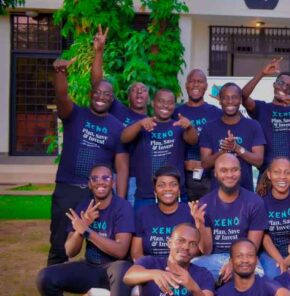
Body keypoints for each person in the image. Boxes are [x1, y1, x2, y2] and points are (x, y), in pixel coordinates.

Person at [36, 164, 134, 296]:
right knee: (45, 277)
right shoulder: (83, 206)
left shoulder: (123, 207)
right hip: (90, 268)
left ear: (113, 182)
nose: (100, 182)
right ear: (89, 184)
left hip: (113, 268)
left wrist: (88, 232)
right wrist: (81, 229)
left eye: (105, 178)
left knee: (121, 269)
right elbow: (70, 251)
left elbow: (120, 251)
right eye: (95, 178)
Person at [46, 56, 128, 268]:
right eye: (98, 92)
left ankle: (95, 279)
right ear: (91, 94)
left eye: (107, 95)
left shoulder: (117, 127)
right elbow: (61, 95)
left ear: (112, 99)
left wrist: (121, 199)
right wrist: (60, 74)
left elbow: (121, 167)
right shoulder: (74, 114)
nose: (101, 97)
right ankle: (52, 282)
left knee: (100, 242)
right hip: (68, 189)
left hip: (98, 194)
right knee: (59, 243)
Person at [90, 25, 148, 206]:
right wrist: (99, 52)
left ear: (149, 97)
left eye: (143, 90)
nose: (139, 92)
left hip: (144, 181)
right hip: (118, 177)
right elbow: (97, 83)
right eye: (134, 90)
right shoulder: (119, 111)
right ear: (128, 97)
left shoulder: (153, 121)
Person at [194, 154, 268, 283]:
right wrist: (200, 225)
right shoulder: (205, 203)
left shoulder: (255, 202)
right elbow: (206, 251)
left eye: (234, 170)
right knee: (190, 274)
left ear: (240, 171)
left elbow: (252, 246)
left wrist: (233, 262)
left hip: (246, 256)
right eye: (224, 170)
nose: (229, 175)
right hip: (214, 258)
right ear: (215, 173)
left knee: (257, 281)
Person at [121, 89, 198, 212]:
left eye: (170, 102)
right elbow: (124, 138)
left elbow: (193, 140)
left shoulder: (178, 126)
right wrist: (139, 124)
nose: (165, 105)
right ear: (152, 103)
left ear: (174, 105)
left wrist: (189, 126)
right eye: (161, 101)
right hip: (146, 196)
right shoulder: (144, 125)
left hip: (175, 195)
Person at [242, 57, 290, 172]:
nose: (284, 88)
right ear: (274, 84)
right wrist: (262, 73)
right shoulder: (262, 108)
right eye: (281, 83)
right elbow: (243, 96)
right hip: (267, 170)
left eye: (289, 87)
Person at [200, 82, 266, 193]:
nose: (230, 101)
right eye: (226, 98)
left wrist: (236, 148)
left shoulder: (253, 126)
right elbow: (205, 164)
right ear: (220, 100)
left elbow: (259, 161)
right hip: (217, 194)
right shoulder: (209, 128)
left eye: (234, 97)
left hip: (245, 193)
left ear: (240, 100)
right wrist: (223, 151)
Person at [175, 69, 224, 201]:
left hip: (210, 177)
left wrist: (222, 101)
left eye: (200, 81)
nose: (195, 85)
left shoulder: (216, 112)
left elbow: (240, 123)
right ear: (186, 85)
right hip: (183, 178)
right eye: (192, 81)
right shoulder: (176, 112)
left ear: (206, 86)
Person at [131, 166, 199, 260]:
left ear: (179, 190)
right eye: (161, 185)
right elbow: (136, 253)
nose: (168, 189)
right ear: (155, 192)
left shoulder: (191, 211)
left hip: (183, 265)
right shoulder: (143, 213)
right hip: (152, 267)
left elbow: (199, 251)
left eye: (173, 184)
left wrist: (199, 223)